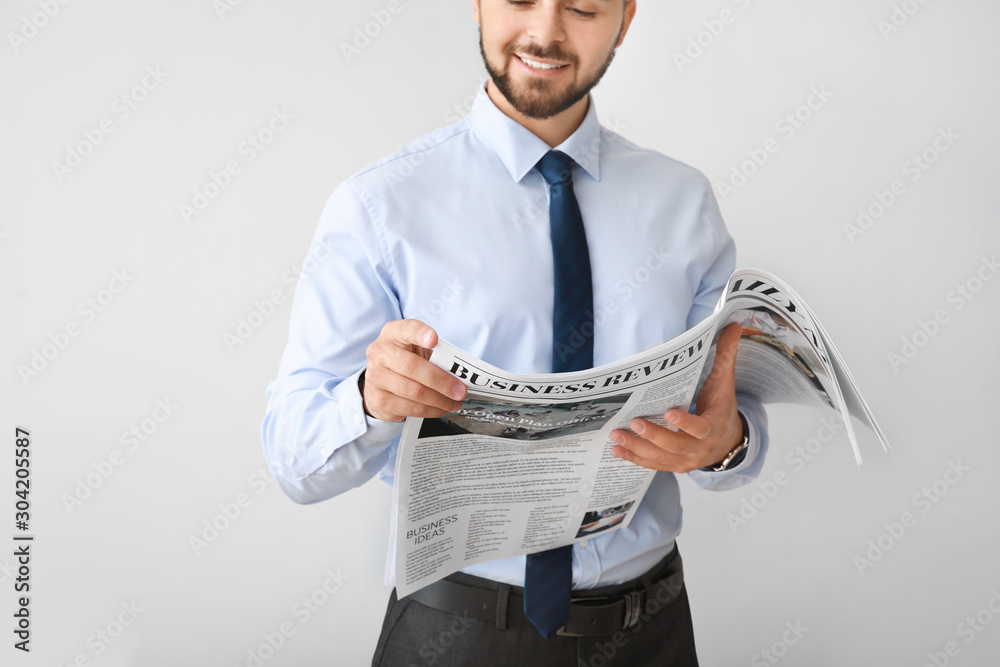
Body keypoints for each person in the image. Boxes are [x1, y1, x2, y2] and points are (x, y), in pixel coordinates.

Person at [261, 1, 770, 664]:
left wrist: (726, 443)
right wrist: (368, 398)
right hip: (456, 635)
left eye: (582, 6)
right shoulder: (381, 206)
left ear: (625, 18)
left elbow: (729, 428)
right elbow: (292, 461)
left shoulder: (684, 203)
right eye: (521, 0)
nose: (546, 33)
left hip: (653, 632)